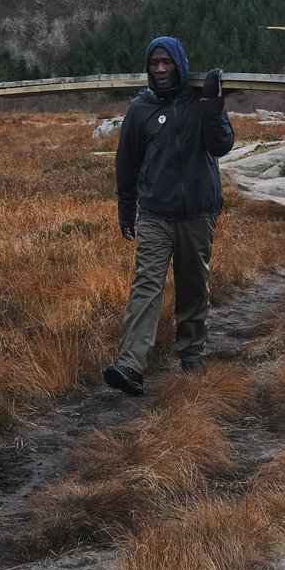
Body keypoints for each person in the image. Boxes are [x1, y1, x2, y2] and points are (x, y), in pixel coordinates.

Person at [103, 36, 235, 396]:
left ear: (179, 63)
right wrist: (126, 207)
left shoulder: (199, 101)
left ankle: (191, 354)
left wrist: (213, 104)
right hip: (155, 213)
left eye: (167, 63)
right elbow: (126, 162)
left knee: (193, 286)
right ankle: (130, 364)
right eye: (154, 63)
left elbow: (222, 144)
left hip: (198, 210)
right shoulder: (140, 109)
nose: (160, 70)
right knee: (146, 285)